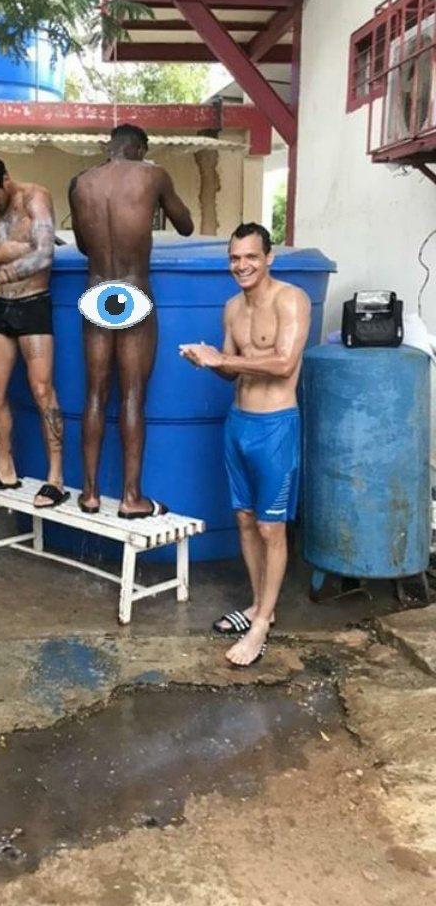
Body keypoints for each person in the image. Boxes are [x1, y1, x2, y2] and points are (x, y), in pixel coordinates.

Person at [180, 223, 310, 667]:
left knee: (272, 528)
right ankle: (258, 607)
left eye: (251, 256)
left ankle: (260, 627)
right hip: (238, 422)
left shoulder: (291, 299)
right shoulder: (232, 308)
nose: (242, 265)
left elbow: (284, 362)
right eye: (235, 258)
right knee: (245, 520)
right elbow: (231, 370)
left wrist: (223, 358)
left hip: (276, 427)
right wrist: (206, 360)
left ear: (268, 258)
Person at [68, 123, 194, 518]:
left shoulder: (80, 183)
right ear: (139, 148)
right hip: (133, 289)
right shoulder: (153, 175)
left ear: (110, 147)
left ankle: (89, 494)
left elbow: (84, 245)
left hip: (97, 290)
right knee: (132, 394)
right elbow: (186, 225)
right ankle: (131, 497)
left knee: (94, 393)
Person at [0, 154, 68, 509]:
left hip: (34, 302)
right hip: (2, 305)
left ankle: (56, 479)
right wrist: (1, 254)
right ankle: (5, 469)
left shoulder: (34, 198)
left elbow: (44, 256)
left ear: (6, 179)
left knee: (42, 390)